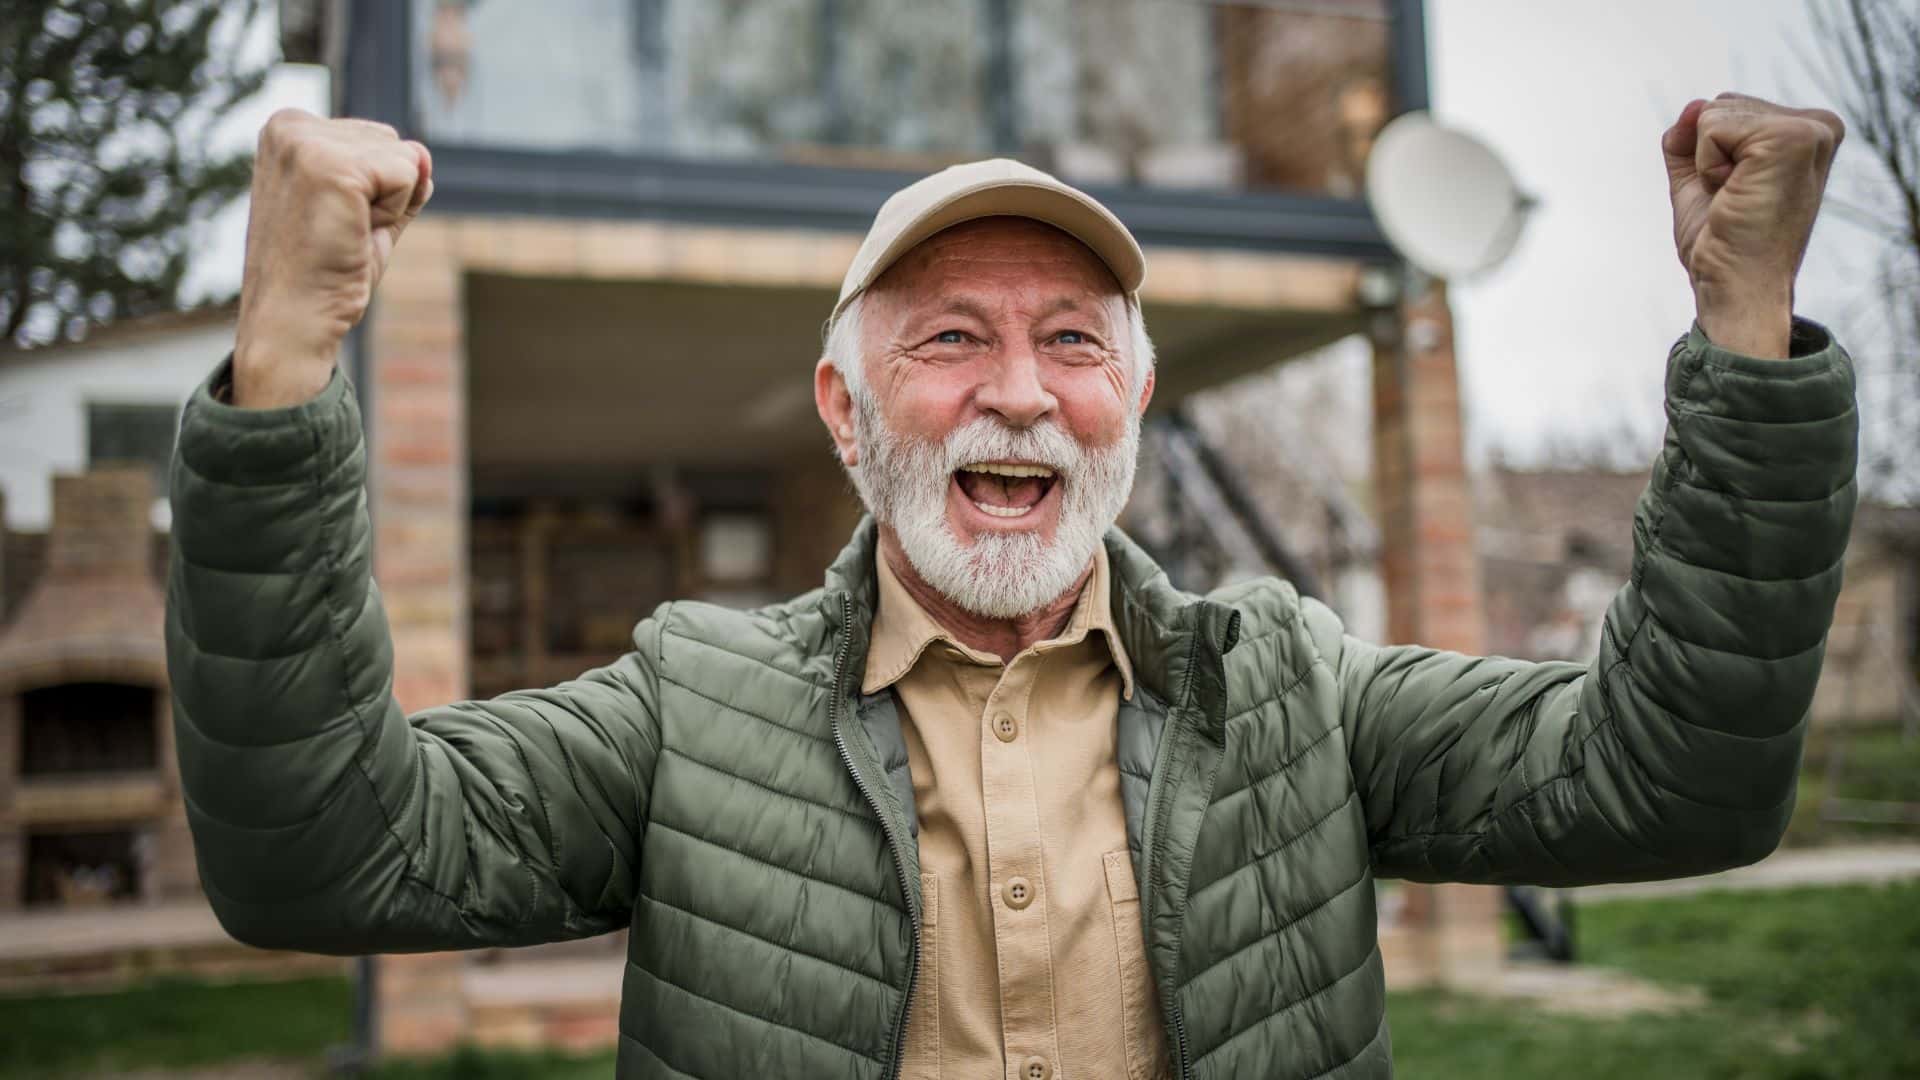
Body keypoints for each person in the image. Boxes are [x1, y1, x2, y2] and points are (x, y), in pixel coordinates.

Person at [167, 94, 1855, 1080]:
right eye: (952, 341)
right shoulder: (693, 703)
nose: (1024, 392)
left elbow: (1677, 784)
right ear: (846, 409)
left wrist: (1747, 341)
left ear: (1132, 397)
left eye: (1071, 343)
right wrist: (285, 368)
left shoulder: (1296, 686)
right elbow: (324, 855)